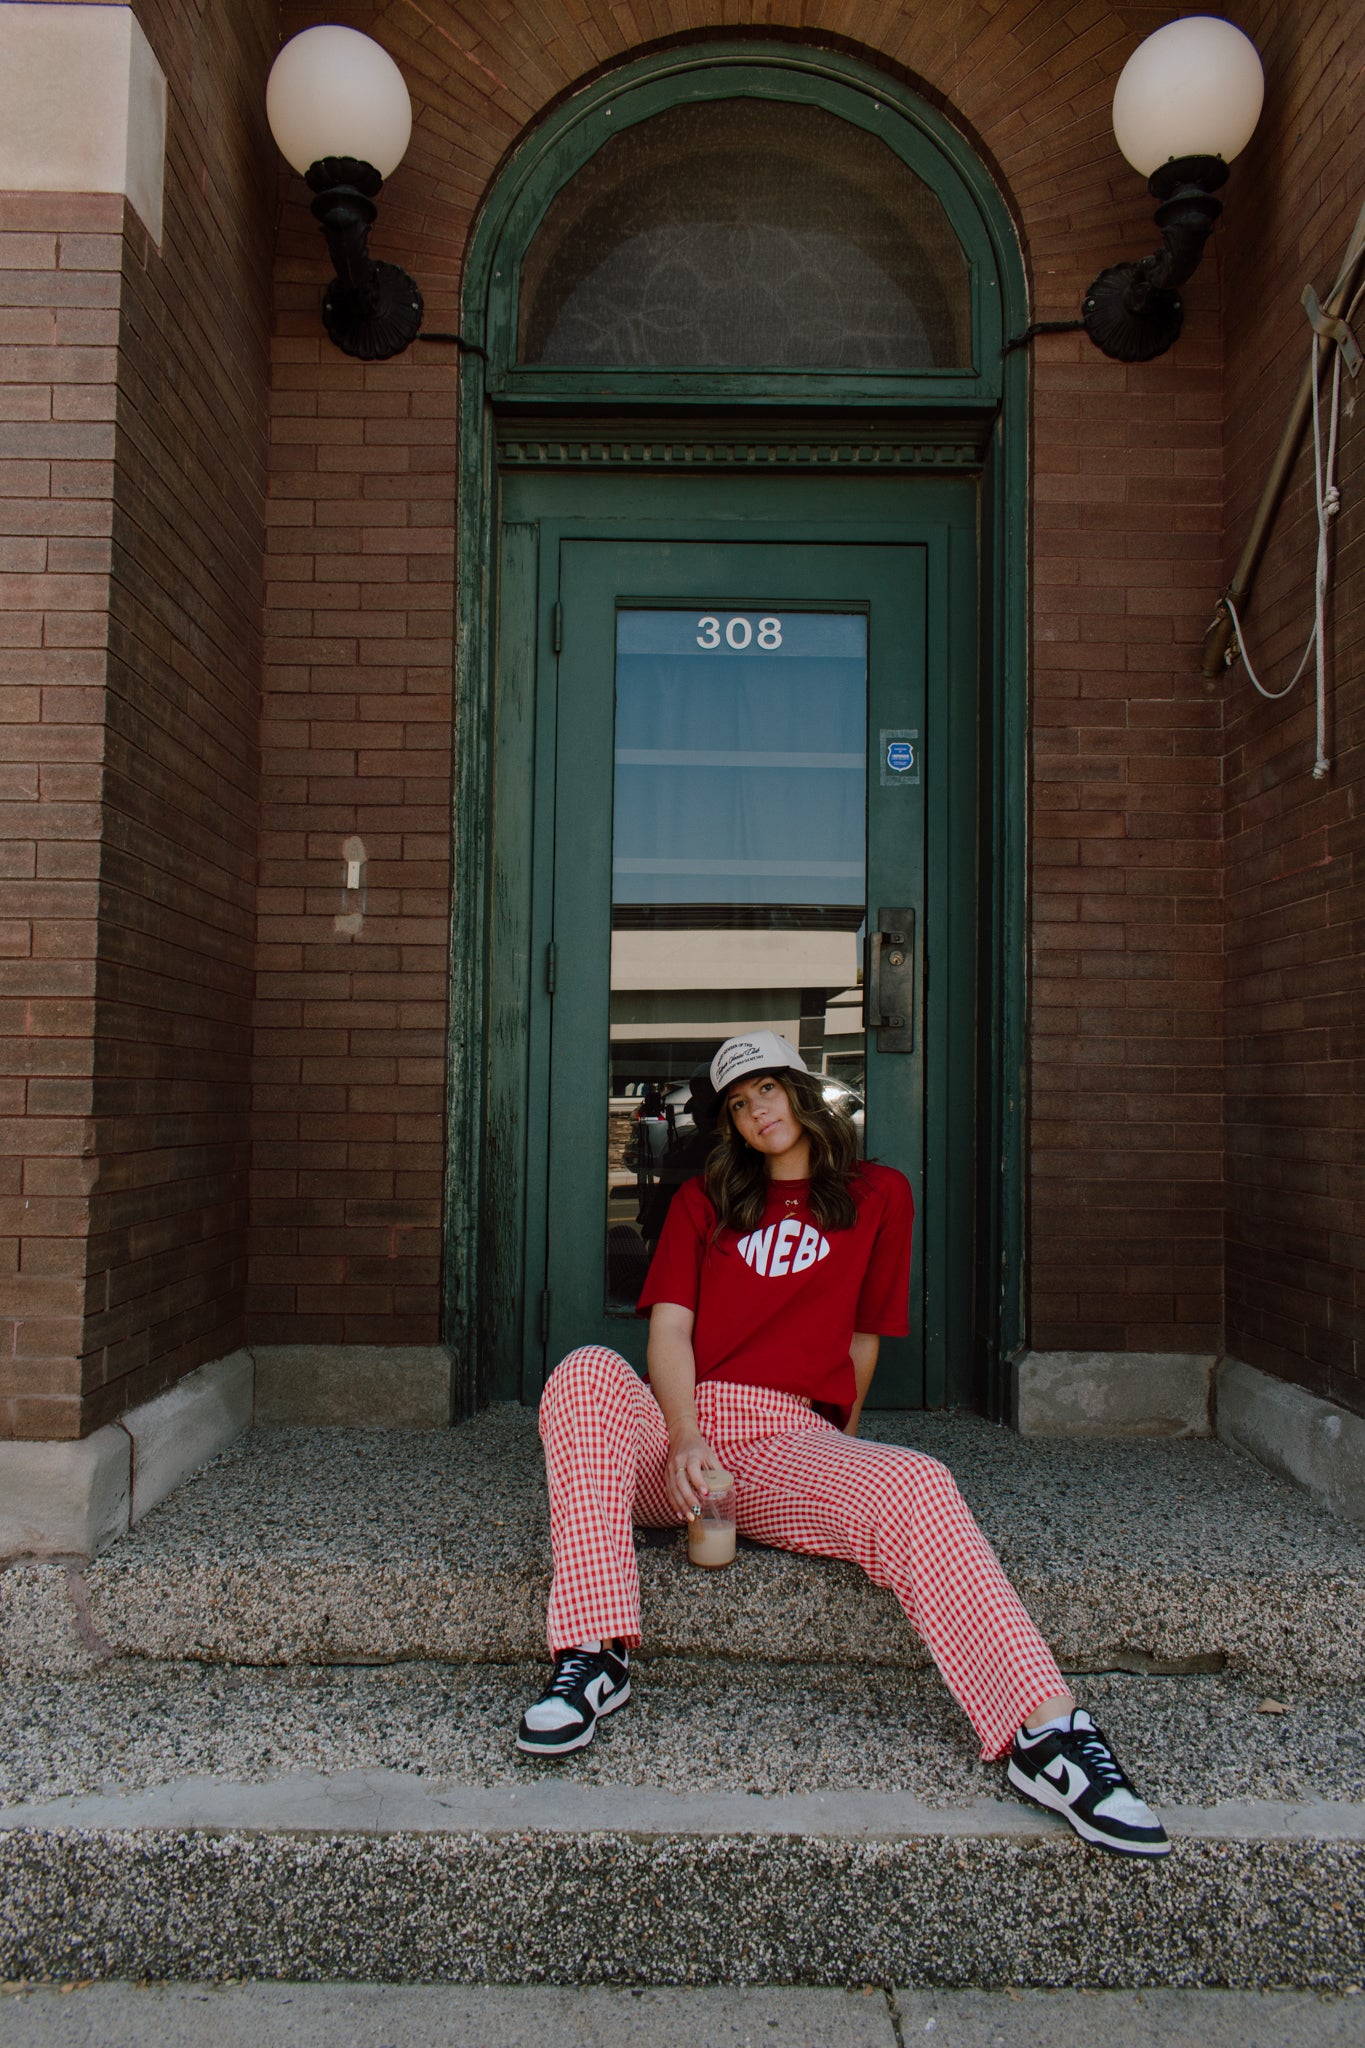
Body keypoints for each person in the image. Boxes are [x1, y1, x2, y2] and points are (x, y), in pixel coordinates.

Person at [517, 1030, 1170, 1858]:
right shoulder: (702, 1203)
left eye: (768, 1089)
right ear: (727, 1125)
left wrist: (838, 1460)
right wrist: (681, 1437)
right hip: (672, 1439)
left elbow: (864, 1338)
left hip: (784, 1435)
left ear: (801, 1090)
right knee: (583, 1371)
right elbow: (671, 1333)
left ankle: (1046, 1737)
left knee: (916, 1480)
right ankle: (592, 1653)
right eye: (738, 1103)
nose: (758, 1111)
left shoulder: (878, 1194)